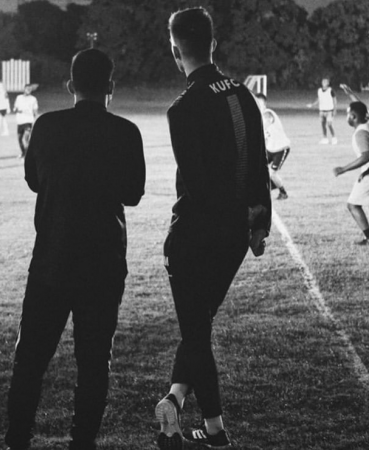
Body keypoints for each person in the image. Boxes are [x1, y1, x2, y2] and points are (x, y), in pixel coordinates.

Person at [4, 49, 146, 450]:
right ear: (111, 87)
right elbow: (133, 194)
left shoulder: (47, 126)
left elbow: (33, 179)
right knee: (94, 361)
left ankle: (17, 439)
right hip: (102, 264)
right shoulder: (125, 132)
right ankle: (81, 442)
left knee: (30, 358)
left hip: (52, 258)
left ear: (70, 86)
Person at [155, 7, 271, 450]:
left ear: (174, 49)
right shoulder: (243, 94)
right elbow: (259, 163)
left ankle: (217, 432)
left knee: (196, 334)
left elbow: (198, 188)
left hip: (195, 238)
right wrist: (259, 222)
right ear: (213, 44)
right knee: (197, 327)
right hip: (234, 239)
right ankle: (174, 402)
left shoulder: (183, 108)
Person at [333, 101, 369, 245]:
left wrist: (343, 169)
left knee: (353, 205)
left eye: (348, 114)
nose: (346, 116)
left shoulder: (360, 133)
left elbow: (366, 156)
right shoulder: (365, 127)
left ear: (353, 116)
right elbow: (363, 108)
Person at [255, 93, 290, 200]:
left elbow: (267, 123)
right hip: (270, 148)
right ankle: (267, 187)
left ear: (264, 104)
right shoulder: (259, 116)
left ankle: (283, 192)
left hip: (281, 148)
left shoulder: (268, 113)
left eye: (259, 102)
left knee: (272, 174)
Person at [307, 77, 338, 145]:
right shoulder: (319, 90)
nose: (324, 83)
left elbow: (334, 100)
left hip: (329, 110)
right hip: (322, 110)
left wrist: (334, 110)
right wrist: (312, 105)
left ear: (328, 83)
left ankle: (334, 137)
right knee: (323, 124)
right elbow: (319, 99)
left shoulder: (331, 90)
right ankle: (325, 138)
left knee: (329, 124)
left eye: (325, 82)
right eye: (323, 82)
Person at [13, 84, 39, 158]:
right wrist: (18, 110)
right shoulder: (19, 98)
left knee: (26, 139)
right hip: (20, 121)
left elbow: (35, 110)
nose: (28, 90)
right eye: (27, 89)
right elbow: (15, 108)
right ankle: (23, 153)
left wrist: (35, 117)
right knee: (19, 139)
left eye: (30, 89)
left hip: (28, 120)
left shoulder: (33, 99)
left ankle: (28, 156)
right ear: (24, 89)